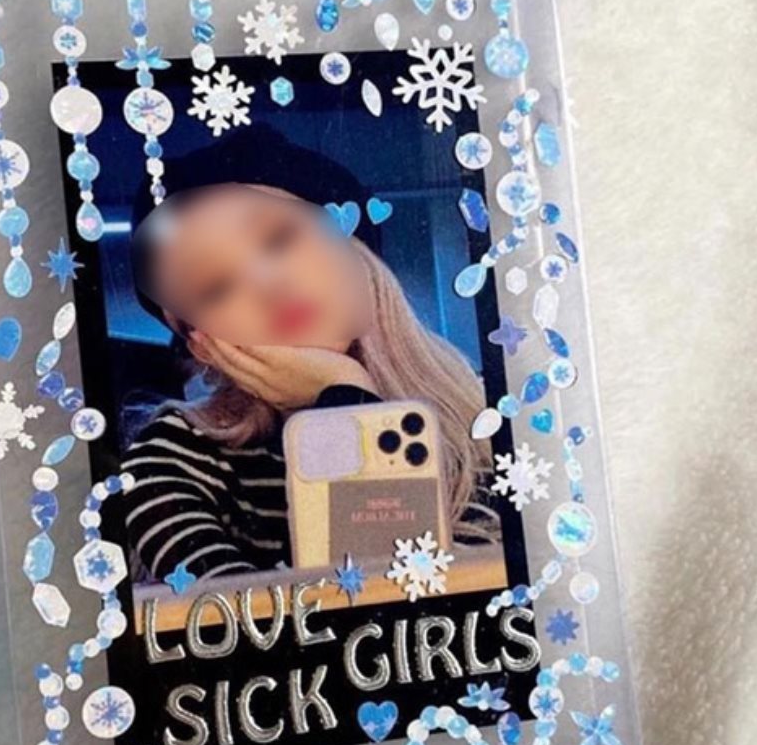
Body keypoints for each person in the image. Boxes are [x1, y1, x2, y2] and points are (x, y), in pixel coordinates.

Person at [119, 123, 501, 584]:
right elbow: (321, 613)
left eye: (280, 238)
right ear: (200, 343)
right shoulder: (173, 457)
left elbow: (466, 600)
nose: (268, 283)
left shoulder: (483, 413)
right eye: (215, 287)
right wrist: (346, 400)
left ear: (352, 243)